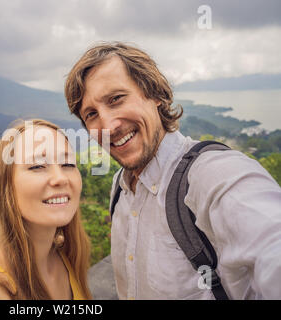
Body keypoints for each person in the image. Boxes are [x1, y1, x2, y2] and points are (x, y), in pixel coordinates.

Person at [64, 42, 281, 299]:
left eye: (116, 99)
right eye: (91, 114)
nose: (107, 126)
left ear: (155, 94)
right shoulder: (120, 188)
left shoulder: (211, 175)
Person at [0, 119, 92, 300]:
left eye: (68, 164)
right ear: (7, 186)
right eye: (37, 166)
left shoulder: (68, 256)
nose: (60, 178)